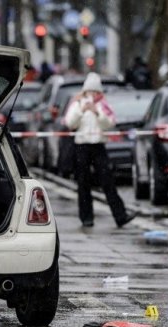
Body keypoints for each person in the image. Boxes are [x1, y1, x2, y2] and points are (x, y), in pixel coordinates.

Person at [64, 72, 137, 228]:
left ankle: (120, 215)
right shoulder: (77, 103)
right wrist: (82, 110)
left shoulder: (103, 105)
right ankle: (86, 218)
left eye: (96, 91)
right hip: (81, 146)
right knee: (83, 183)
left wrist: (97, 112)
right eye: (90, 91)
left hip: (98, 145)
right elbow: (70, 123)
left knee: (107, 181)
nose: (93, 95)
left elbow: (110, 123)